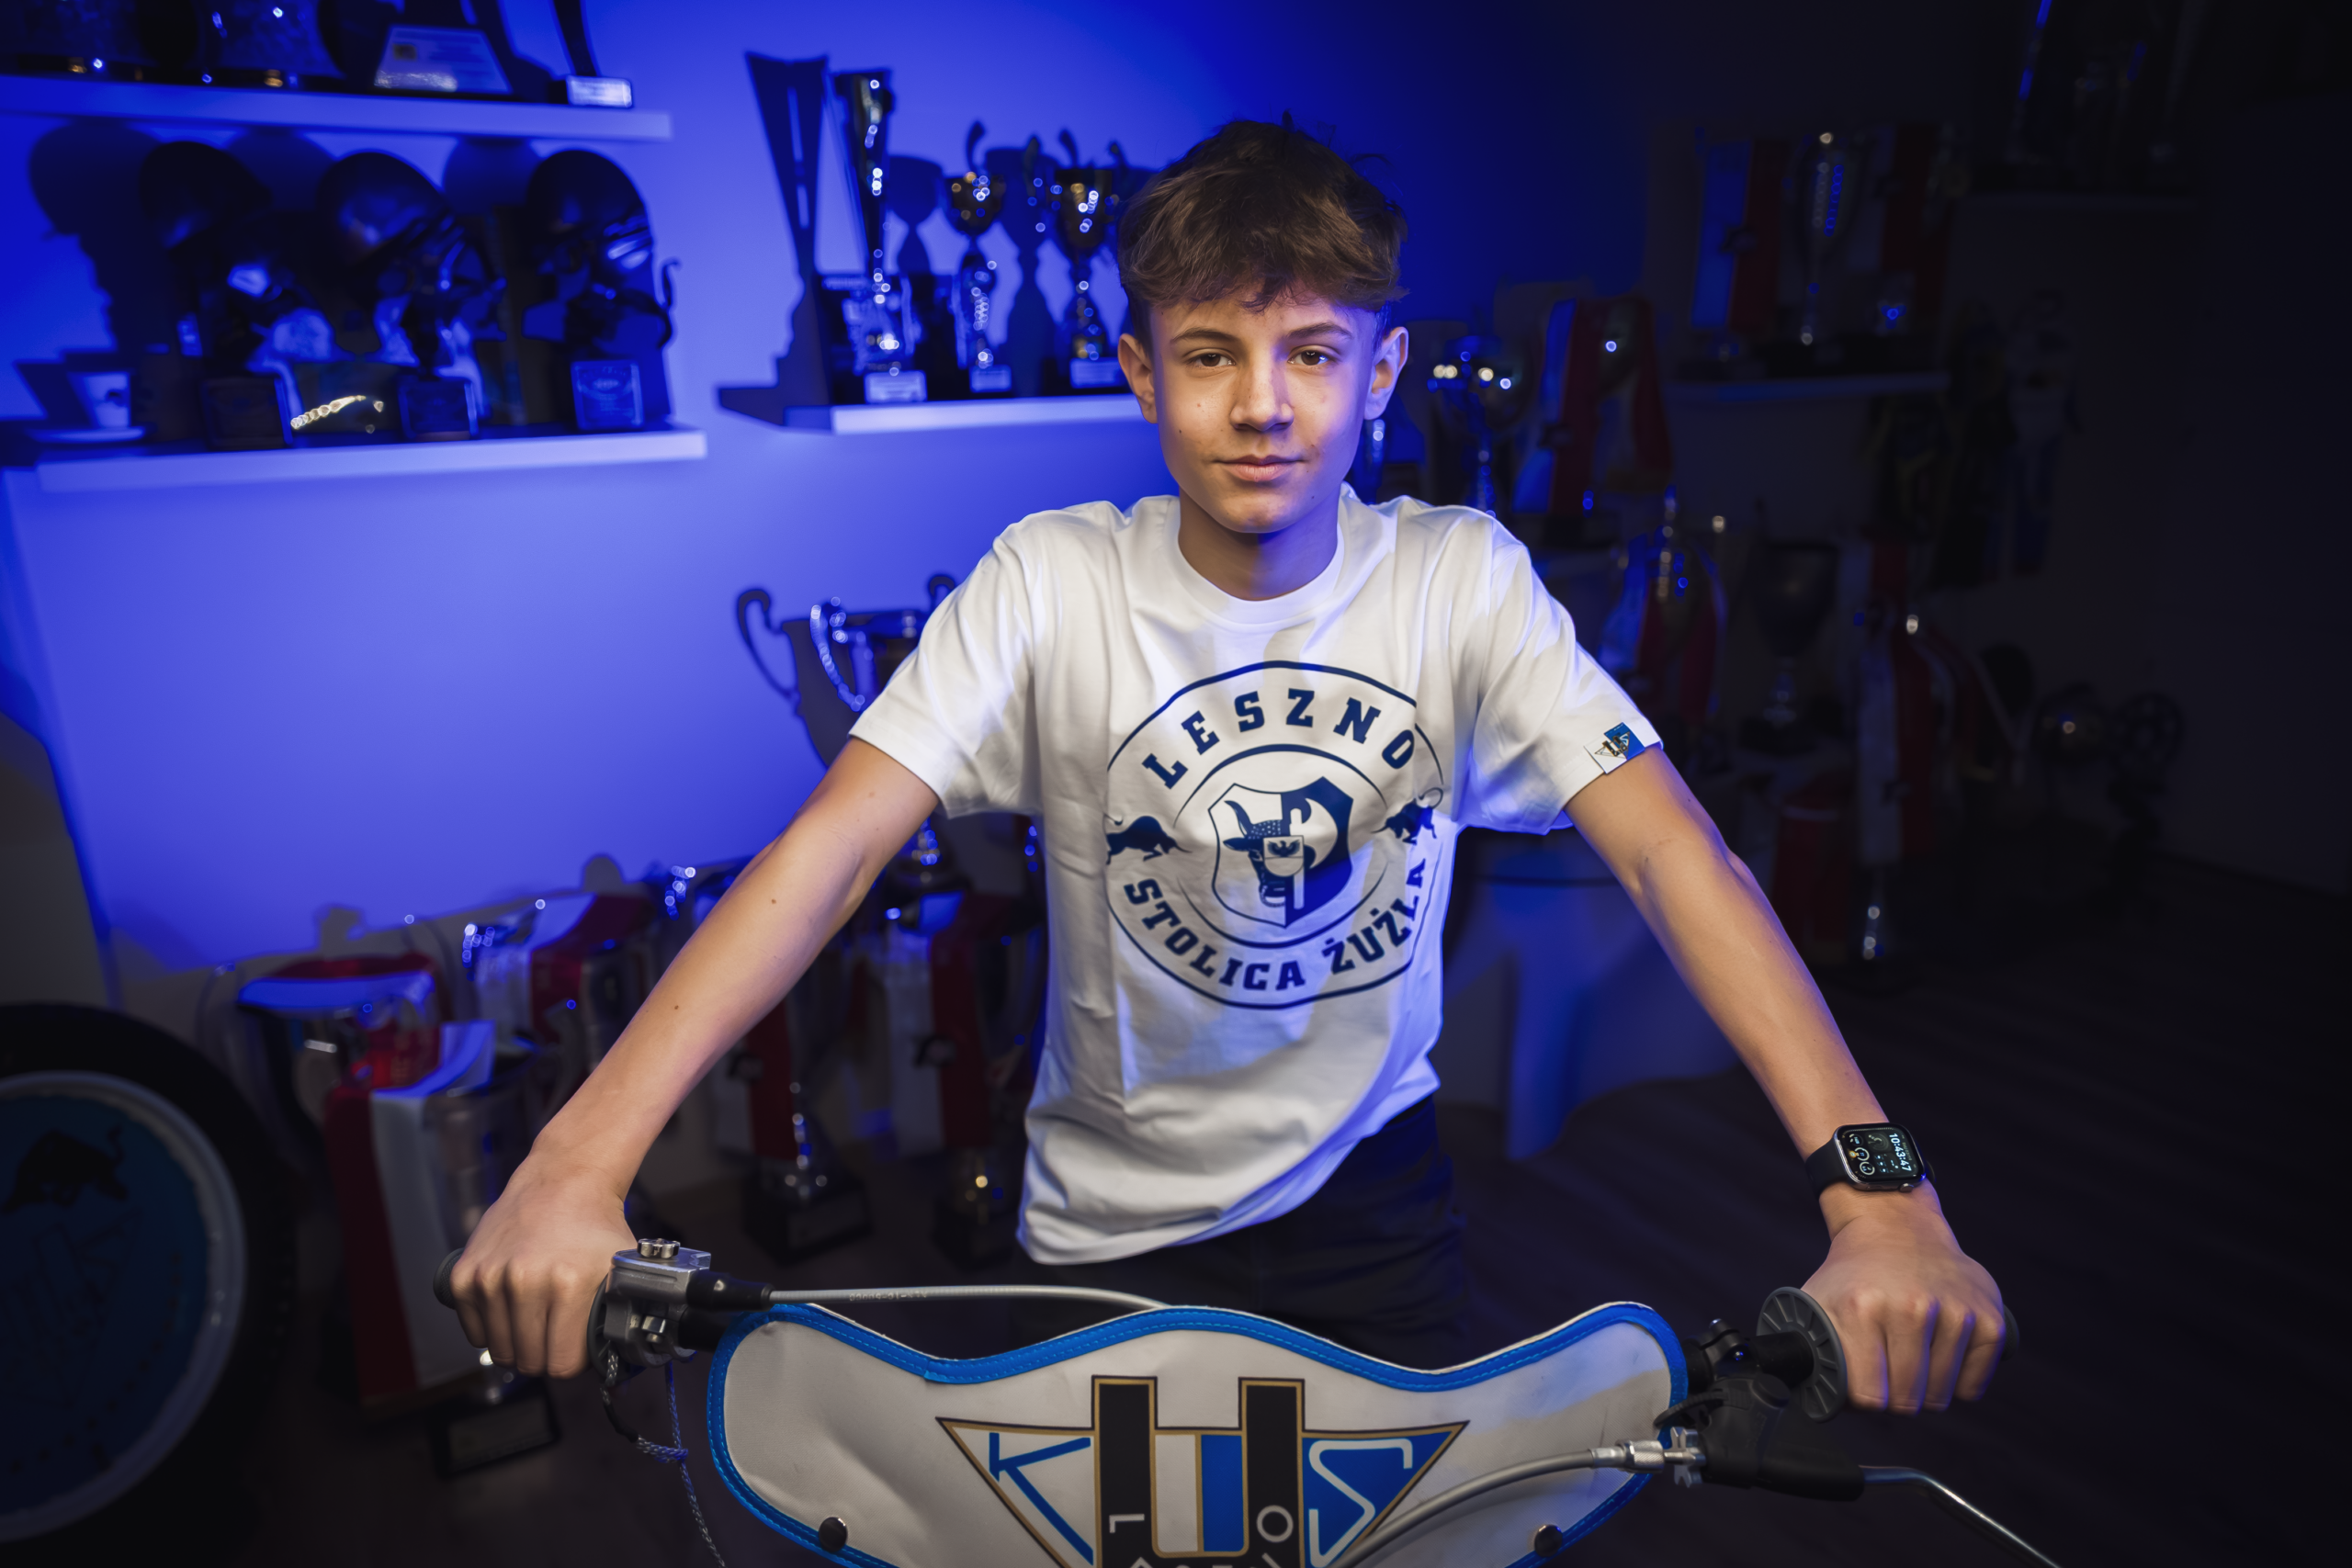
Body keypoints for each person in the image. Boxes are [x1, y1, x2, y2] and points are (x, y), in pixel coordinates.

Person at [450, 119, 2004, 1407]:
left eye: (1313, 352)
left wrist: (1882, 1196)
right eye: (1210, 354)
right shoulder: (1050, 577)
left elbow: (1674, 855)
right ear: (1140, 371)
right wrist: (577, 1162)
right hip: (1107, 1226)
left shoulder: (1460, 577)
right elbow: (830, 852)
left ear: (1381, 373)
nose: (1263, 406)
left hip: (1376, 1205)